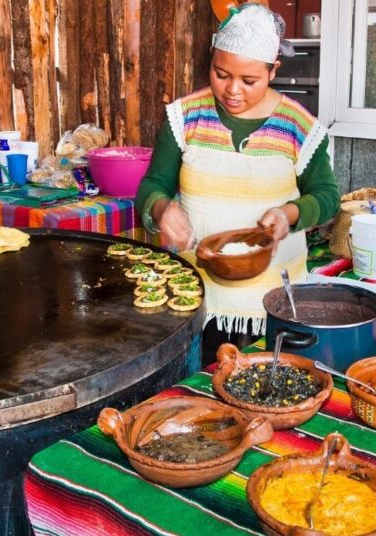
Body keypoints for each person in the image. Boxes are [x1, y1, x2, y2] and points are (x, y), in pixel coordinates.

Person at [135, 3, 339, 364]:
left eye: (249, 81)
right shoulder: (184, 117)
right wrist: (161, 207)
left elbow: (326, 197)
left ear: (273, 69)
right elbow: (153, 184)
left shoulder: (298, 126)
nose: (232, 91)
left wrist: (288, 213)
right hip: (197, 297)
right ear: (211, 59)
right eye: (220, 73)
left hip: (273, 303)